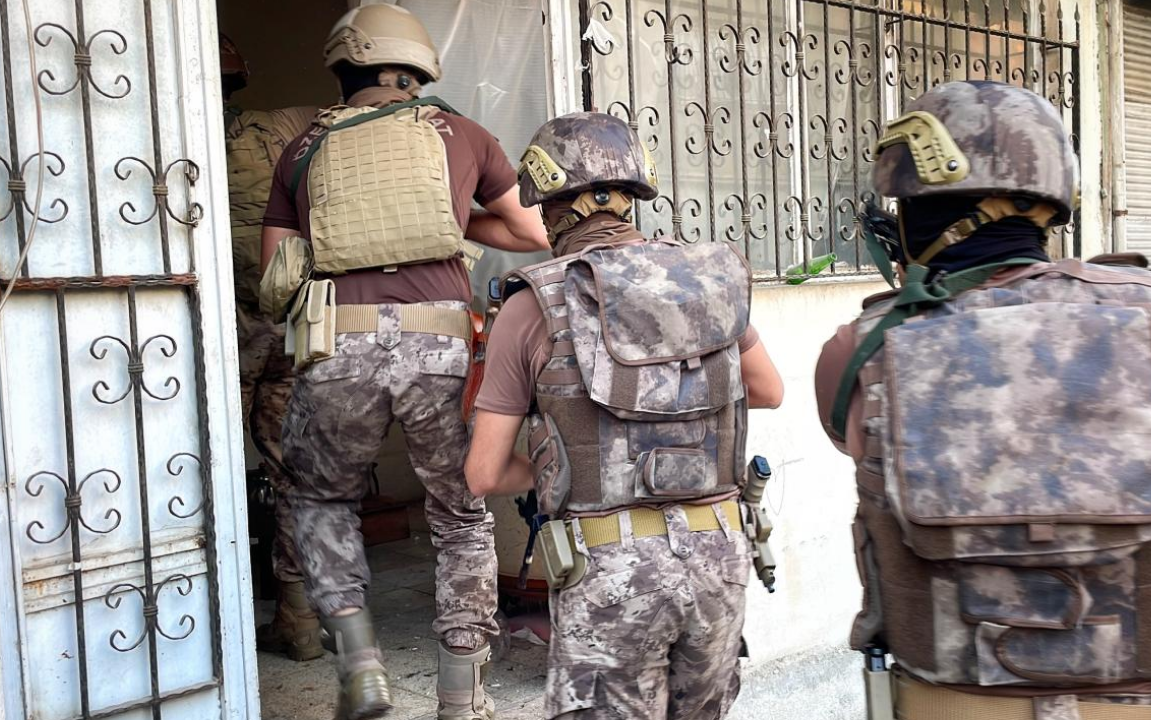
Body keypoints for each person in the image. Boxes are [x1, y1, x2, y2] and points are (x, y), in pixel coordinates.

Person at [813, 80, 1151, 720]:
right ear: (1046, 203)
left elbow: (852, 445)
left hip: (950, 704)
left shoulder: (860, 348)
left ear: (921, 215)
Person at [259, 6, 548, 719]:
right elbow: (531, 230)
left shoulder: (301, 149)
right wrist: (447, 219)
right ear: (418, 68)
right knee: (460, 514)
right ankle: (461, 697)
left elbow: (275, 272)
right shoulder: (464, 134)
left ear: (342, 70)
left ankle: (360, 662)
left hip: (337, 343)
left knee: (321, 501)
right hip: (439, 342)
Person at [464, 112, 784, 720]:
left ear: (551, 205)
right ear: (631, 195)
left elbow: (483, 473)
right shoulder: (707, 281)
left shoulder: (532, 303)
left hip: (609, 570)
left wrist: (559, 459)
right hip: (719, 556)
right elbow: (767, 390)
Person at [220, 33, 322, 662]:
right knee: (293, 470)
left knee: (202, 469)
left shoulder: (166, 141)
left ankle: (207, 630)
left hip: (222, 333)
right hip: (285, 319)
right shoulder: (280, 129)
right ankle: (300, 619)